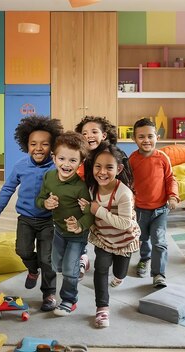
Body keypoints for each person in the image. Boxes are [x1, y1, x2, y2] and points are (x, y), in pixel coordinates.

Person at [0, 115, 64, 312]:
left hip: (49, 220)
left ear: (53, 146)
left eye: (45, 144)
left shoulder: (57, 167)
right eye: (33, 144)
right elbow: (8, 189)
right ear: (26, 145)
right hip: (26, 219)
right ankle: (32, 269)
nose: (38, 148)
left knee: (47, 259)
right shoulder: (21, 165)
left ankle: (49, 293)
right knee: (22, 250)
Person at [79, 142, 139, 328]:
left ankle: (120, 276)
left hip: (124, 240)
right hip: (103, 239)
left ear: (119, 169)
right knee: (101, 269)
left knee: (120, 271)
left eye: (109, 167)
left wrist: (97, 210)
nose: (102, 172)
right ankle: (102, 308)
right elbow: (87, 210)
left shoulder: (124, 193)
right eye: (98, 166)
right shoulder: (91, 189)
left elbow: (125, 224)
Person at [36, 131, 94, 316]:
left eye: (72, 161)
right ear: (54, 158)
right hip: (59, 231)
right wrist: (45, 203)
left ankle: (69, 300)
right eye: (62, 158)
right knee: (56, 266)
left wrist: (79, 225)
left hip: (77, 234)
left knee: (69, 270)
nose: (66, 165)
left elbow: (89, 214)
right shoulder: (49, 177)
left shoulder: (80, 186)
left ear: (80, 163)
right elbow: (40, 199)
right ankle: (82, 262)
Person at [129, 118, 179, 288]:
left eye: (150, 136)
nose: (146, 140)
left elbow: (171, 179)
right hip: (139, 209)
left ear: (157, 137)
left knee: (159, 241)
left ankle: (158, 274)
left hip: (160, 209)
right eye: (141, 137)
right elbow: (128, 182)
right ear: (134, 139)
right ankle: (144, 259)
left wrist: (173, 196)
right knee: (142, 238)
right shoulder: (132, 160)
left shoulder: (163, 158)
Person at [74, 116, 119, 279]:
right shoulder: (81, 154)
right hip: (84, 202)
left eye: (94, 132)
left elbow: (123, 182)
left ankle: (111, 259)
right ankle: (82, 257)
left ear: (104, 135)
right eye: (84, 133)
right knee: (81, 232)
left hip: (106, 203)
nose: (89, 136)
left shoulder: (113, 154)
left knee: (105, 236)